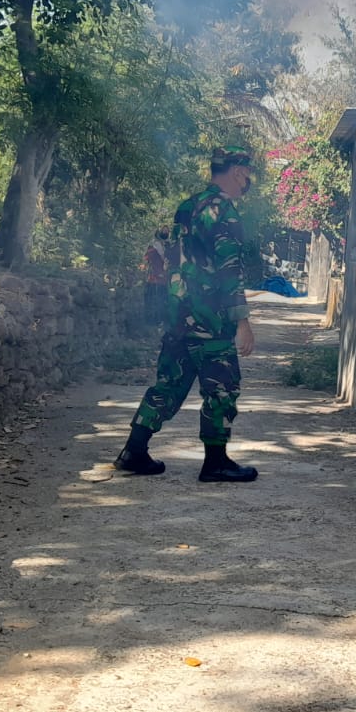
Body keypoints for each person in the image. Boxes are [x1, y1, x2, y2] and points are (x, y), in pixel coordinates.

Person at [114, 148, 259, 481]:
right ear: (237, 172)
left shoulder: (187, 206)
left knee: (168, 384)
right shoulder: (224, 212)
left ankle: (133, 451)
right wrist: (243, 321)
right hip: (211, 319)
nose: (247, 180)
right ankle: (216, 462)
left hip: (179, 314)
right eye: (247, 173)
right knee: (221, 388)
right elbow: (229, 271)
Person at [142, 226, 171, 329]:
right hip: (154, 278)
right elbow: (148, 259)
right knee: (154, 299)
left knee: (161, 300)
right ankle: (152, 322)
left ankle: (160, 321)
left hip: (163, 279)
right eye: (163, 231)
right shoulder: (154, 245)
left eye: (167, 231)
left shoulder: (167, 244)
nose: (165, 233)